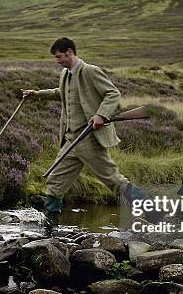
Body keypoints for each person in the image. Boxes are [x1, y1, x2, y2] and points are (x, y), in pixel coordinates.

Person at [23, 37, 148, 232]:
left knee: (114, 181)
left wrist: (100, 114)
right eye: (56, 58)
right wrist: (37, 94)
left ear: (70, 52)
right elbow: (62, 92)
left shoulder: (90, 71)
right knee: (55, 181)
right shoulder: (66, 74)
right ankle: (50, 228)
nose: (58, 61)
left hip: (90, 139)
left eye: (59, 57)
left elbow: (112, 93)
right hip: (71, 140)